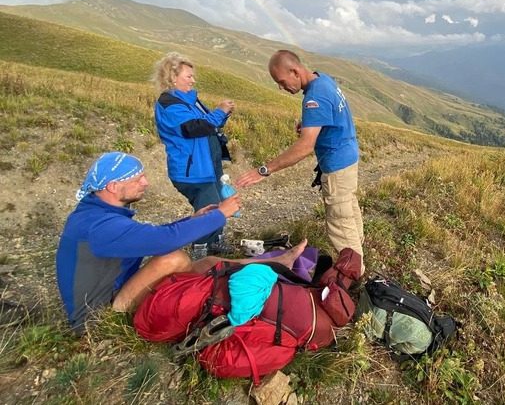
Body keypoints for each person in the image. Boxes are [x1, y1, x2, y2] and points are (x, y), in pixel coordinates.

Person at [55, 152, 308, 335]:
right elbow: (165, 241)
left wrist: (194, 219)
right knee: (174, 259)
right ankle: (191, 300)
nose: (145, 183)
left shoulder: (99, 216)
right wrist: (220, 214)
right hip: (98, 318)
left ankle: (274, 262)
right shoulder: (98, 227)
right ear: (112, 186)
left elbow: (150, 236)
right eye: (137, 179)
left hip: (119, 292)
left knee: (206, 262)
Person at [236, 50, 364, 269]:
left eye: (282, 81)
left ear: (295, 71)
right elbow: (333, 113)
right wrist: (312, 124)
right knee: (349, 211)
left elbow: (305, 147)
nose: (281, 87)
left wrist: (264, 170)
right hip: (349, 156)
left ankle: (354, 274)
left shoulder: (314, 97)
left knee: (340, 223)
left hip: (337, 166)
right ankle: (359, 256)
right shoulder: (323, 80)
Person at [152, 52, 235, 257]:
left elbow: (207, 125)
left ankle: (214, 243)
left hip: (206, 166)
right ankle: (200, 252)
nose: (193, 80)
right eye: (188, 76)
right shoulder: (169, 103)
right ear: (173, 77)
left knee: (218, 204)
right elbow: (193, 128)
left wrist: (222, 116)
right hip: (193, 170)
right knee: (208, 210)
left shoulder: (189, 100)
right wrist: (220, 111)